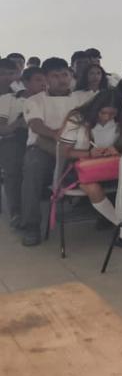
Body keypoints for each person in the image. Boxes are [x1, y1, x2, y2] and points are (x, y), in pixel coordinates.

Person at [19, 57, 78, 246]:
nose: (61, 79)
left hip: (76, 148)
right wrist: (57, 135)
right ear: (46, 78)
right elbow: (36, 125)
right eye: (55, 76)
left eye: (65, 75)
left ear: (70, 75)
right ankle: (31, 227)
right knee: (32, 170)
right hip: (42, 148)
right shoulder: (35, 100)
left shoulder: (81, 99)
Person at [57, 89, 122, 238]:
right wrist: (88, 153)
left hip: (107, 166)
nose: (107, 117)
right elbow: (65, 152)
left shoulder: (120, 121)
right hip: (79, 167)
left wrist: (114, 150)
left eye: (112, 114)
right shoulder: (77, 118)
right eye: (103, 113)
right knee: (91, 186)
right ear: (95, 108)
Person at [0, 59, 33, 228]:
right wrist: (17, 124)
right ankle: (16, 212)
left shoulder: (19, 94)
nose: (7, 77)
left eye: (11, 73)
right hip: (8, 140)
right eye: (2, 73)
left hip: (19, 137)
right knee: (13, 165)